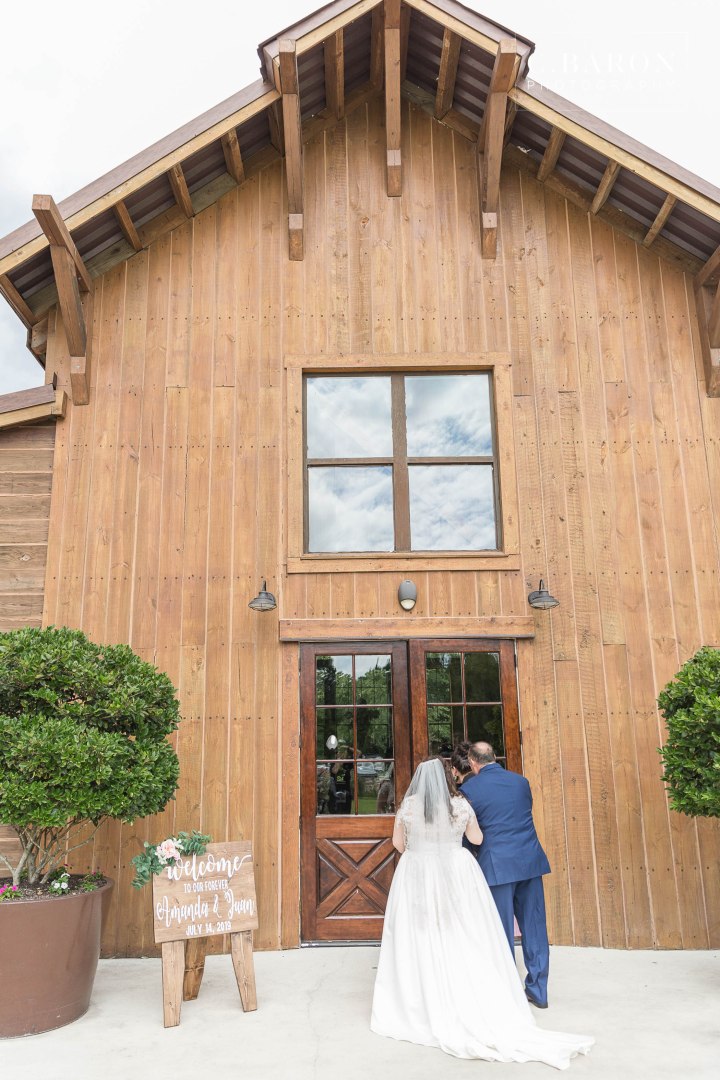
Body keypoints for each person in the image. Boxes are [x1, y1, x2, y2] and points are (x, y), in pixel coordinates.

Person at [370, 758, 592, 1067]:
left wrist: (423, 850)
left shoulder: (408, 807)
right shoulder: (460, 804)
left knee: (420, 930)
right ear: (448, 778)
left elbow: (399, 845)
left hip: (417, 873)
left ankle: (423, 992)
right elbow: (476, 839)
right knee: (458, 930)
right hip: (456, 870)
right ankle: (466, 987)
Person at [460, 741, 551, 1009]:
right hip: (529, 861)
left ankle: (507, 992)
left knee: (500, 931)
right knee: (534, 926)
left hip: (497, 865)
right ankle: (539, 990)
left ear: (473, 762)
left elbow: (471, 834)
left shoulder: (469, 789)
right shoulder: (521, 782)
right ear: (494, 758)